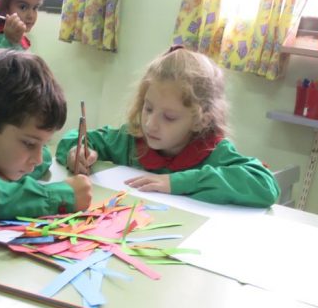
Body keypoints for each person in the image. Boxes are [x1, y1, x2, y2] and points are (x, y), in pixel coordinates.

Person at [56, 46, 280, 208]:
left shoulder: (211, 151)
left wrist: (175, 182)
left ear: (200, 120)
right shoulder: (132, 140)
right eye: (148, 108)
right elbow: (74, 138)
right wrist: (77, 152)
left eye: (169, 117)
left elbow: (265, 184)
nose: (150, 124)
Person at [0, 49, 93, 220]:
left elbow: (45, 158)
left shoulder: (2, 145)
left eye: (43, 143)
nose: (38, 159)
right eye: (29, 143)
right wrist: (60, 197)